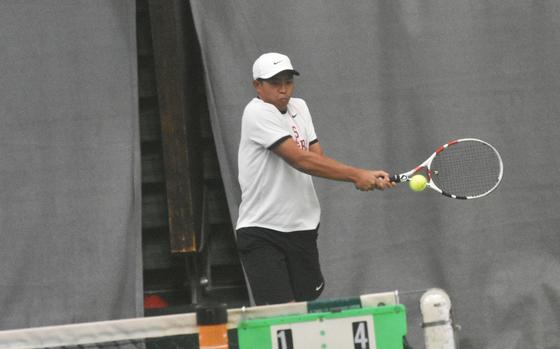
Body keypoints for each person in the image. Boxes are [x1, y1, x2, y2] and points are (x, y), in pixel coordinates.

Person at [236, 52, 394, 305]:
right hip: (262, 232)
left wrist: (367, 177)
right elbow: (301, 160)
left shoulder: (300, 107)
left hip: (304, 228)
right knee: (284, 319)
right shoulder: (256, 113)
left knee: (306, 313)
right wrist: (357, 175)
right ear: (257, 85)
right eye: (275, 83)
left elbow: (316, 158)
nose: (283, 89)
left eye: (288, 81)